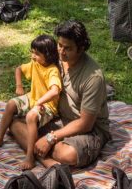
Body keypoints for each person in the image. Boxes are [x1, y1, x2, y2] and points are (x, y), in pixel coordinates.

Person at [25, 20, 110, 169]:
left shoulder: (93, 77)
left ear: (81, 48)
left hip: (88, 129)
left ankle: (35, 148)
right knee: (15, 122)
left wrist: (50, 138)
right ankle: (44, 157)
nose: (61, 51)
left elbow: (85, 124)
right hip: (58, 117)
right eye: (60, 45)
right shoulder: (56, 60)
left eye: (68, 48)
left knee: (67, 154)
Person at [0, 34, 63, 170]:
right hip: (32, 98)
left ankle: (30, 156)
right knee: (11, 104)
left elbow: (54, 91)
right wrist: (19, 86)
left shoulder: (52, 70)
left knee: (31, 116)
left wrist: (39, 102)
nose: (32, 56)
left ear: (48, 55)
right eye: (32, 52)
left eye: (37, 54)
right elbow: (18, 69)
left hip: (47, 105)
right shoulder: (35, 64)